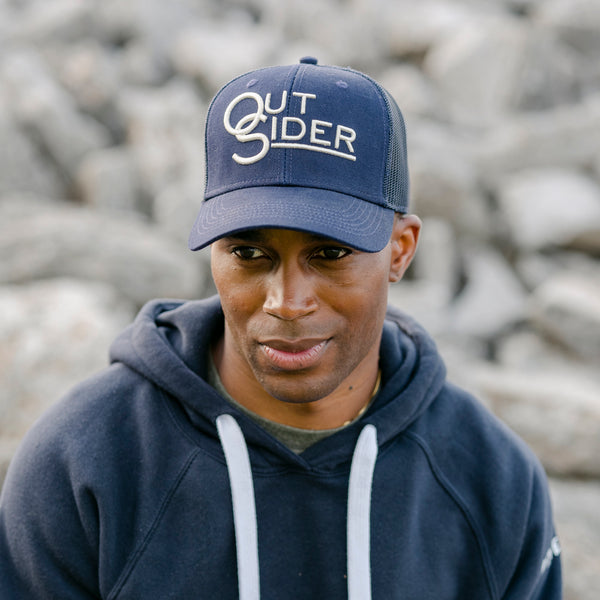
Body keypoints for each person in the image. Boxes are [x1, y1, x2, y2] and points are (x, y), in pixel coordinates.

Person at [0, 57, 562, 599]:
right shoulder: (84, 465)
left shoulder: (493, 483)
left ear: (401, 249)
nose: (287, 302)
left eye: (330, 252)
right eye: (248, 252)